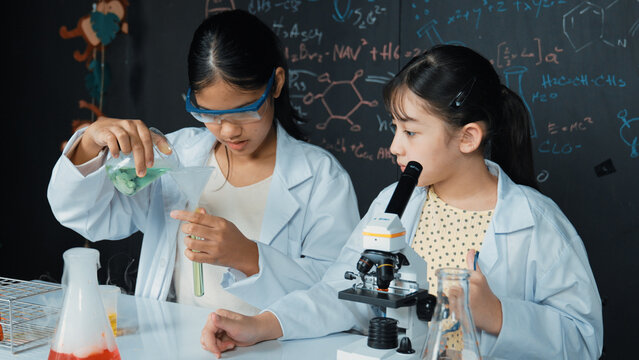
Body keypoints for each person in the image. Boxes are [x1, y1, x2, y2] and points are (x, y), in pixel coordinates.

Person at [198, 44, 603, 359]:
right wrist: (264, 324)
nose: (394, 146)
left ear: (467, 138)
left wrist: (497, 314)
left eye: (410, 132)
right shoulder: (394, 203)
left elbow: (584, 341)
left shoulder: (536, 222)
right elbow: (338, 292)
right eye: (395, 128)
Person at [47, 9, 360, 315]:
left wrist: (249, 257)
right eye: (209, 114)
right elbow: (88, 216)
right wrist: (88, 144)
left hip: (271, 349)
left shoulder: (321, 178)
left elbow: (340, 295)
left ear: (276, 84)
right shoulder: (176, 156)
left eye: (245, 111)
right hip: (174, 343)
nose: (228, 130)